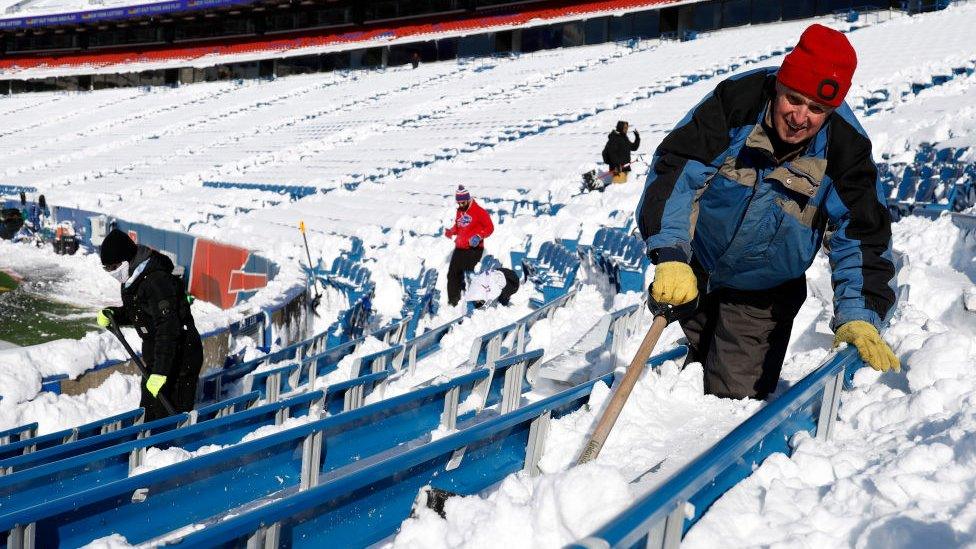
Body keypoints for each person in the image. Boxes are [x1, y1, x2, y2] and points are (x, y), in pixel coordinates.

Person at [636, 24, 899, 400]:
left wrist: (859, 314)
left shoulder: (846, 149)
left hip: (763, 293)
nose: (800, 117)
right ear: (779, 84)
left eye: (817, 109)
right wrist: (672, 255)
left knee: (732, 405)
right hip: (694, 270)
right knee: (668, 385)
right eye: (794, 99)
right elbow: (678, 170)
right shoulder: (736, 103)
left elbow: (862, 236)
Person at [96, 229, 203, 420]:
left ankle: (176, 448)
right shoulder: (132, 278)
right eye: (107, 268)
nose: (112, 272)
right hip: (159, 357)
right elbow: (141, 312)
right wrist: (115, 315)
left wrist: (161, 372)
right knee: (150, 413)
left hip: (180, 357)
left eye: (114, 266)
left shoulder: (157, 281)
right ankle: (152, 448)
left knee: (170, 417)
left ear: (127, 259)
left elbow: (168, 328)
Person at [445, 185, 494, 307]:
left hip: (474, 248)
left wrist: (478, 236)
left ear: (468, 199)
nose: (460, 205)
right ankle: (453, 302)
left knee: (470, 274)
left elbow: (490, 228)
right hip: (460, 247)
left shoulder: (479, 211)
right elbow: (459, 226)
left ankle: (477, 302)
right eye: (458, 203)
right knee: (452, 274)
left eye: (462, 202)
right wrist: (452, 231)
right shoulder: (459, 211)